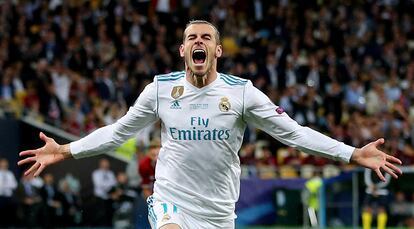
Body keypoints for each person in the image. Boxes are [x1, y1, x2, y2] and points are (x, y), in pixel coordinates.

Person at [18, 20, 402, 229]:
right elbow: (118, 131)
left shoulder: (242, 93)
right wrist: (66, 149)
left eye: (206, 37)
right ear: (183, 50)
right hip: (172, 200)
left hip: (219, 212)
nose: (198, 41)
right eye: (191, 38)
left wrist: (352, 153)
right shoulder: (160, 90)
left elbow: (295, 134)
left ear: (216, 50)